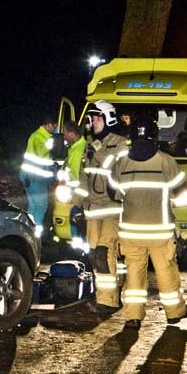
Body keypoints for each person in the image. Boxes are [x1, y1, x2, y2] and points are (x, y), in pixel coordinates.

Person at [108, 115, 187, 329]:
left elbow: (113, 194)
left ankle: (133, 317)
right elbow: (181, 193)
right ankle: (174, 313)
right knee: (166, 272)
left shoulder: (121, 162)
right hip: (160, 232)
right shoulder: (166, 161)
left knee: (134, 274)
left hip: (131, 232)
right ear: (154, 136)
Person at [71, 100, 128, 313]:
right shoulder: (90, 145)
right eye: (92, 119)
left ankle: (108, 301)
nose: (93, 123)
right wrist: (76, 205)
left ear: (108, 119)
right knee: (95, 254)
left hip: (113, 208)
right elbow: (83, 178)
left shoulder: (121, 144)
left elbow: (118, 170)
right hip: (93, 209)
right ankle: (106, 294)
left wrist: (99, 152)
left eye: (97, 119)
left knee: (105, 253)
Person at [20, 115, 57, 237]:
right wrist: (52, 141)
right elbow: (41, 152)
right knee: (41, 207)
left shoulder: (38, 135)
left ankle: (27, 233)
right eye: (54, 126)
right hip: (35, 178)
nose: (55, 128)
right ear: (48, 125)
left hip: (30, 177)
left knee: (32, 207)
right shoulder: (39, 137)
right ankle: (36, 236)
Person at [55, 121, 87, 246]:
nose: (63, 137)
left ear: (72, 134)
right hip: (72, 193)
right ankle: (78, 248)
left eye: (65, 134)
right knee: (74, 221)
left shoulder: (81, 149)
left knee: (78, 222)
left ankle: (82, 251)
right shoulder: (73, 148)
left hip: (79, 193)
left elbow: (81, 176)